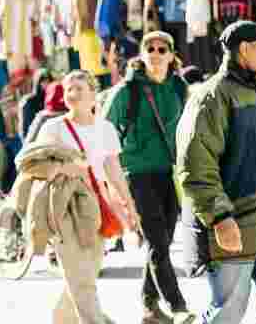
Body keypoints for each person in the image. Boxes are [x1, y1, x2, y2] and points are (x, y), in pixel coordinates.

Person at [176, 20, 256, 324]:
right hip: (235, 228)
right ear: (245, 50)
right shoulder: (212, 97)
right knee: (227, 313)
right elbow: (195, 165)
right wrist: (220, 217)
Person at [103, 31, 195, 324]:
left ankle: (149, 306)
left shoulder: (180, 88)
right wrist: (113, 177)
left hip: (170, 174)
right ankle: (177, 305)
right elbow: (105, 133)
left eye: (162, 49)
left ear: (171, 55)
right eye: (150, 49)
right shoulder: (126, 91)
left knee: (164, 241)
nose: (155, 54)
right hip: (137, 176)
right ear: (142, 55)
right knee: (157, 241)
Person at [37, 70, 139, 324]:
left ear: (93, 94)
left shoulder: (105, 129)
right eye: (68, 89)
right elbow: (34, 165)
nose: (71, 94)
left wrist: (129, 207)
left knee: (88, 273)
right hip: (63, 205)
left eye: (79, 89)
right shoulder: (53, 127)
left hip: (96, 206)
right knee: (79, 277)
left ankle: (62, 320)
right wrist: (65, 168)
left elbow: (113, 170)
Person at [19, 68, 54, 141]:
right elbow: (26, 127)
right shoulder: (29, 101)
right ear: (37, 83)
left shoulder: (54, 99)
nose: (46, 84)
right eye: (43, 81)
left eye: (49, 81)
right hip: (36, 139)